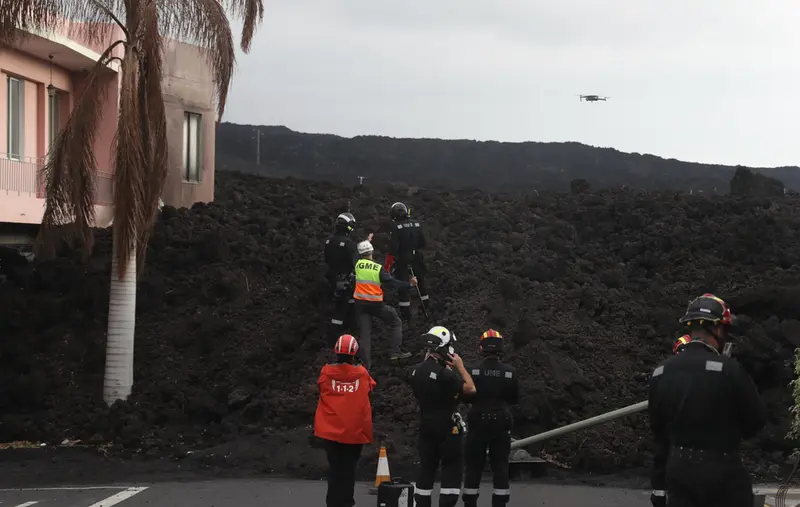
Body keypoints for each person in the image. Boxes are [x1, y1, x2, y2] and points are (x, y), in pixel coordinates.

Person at [648, 293, 767, 507]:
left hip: (678, 470)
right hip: (722, 471)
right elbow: (756, 421)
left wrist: (658, 487)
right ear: (717, 329)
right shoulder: (730, 370)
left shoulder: (660, 372)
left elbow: (659, 433)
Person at [407, 325, 476, 507]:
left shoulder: (414, 371)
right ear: (445, 348)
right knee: (451, 469)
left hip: (426, 426)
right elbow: (470, 389)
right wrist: (460, 367)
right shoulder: (445, 375)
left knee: (426, 468)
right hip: (447, 428)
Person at [314, 334, 377, 507]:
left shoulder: (326, 372)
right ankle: (346, 503)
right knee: (349, 470)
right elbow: (371, 387)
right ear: (355, 352)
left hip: (331, 431)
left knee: (335, 469)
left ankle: (332, 503)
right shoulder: (362, 373)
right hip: (354, 432)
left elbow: (320, 386)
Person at [462, 329, 519, 507]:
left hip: (477, 420)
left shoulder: (472, 371)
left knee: (473, 465)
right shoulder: (510, 372)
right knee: (500, 465)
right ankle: (500, 503)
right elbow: (514, 398)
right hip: (501, 421)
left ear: (481, 348)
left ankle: (470, 502)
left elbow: (466, 397)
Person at [353, 240, 414, 368]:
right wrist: (409, 284)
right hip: (376, 305)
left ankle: (365, 365)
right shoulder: (378, 268)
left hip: (360, 305)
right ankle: (395, 352)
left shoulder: (357, 264)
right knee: (396, 322)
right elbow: (394, 283)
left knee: (365, 334)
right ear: (372, 251)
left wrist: (367, 240)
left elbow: (355, 255)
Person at [324, 212, 369, 345]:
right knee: (342, 309)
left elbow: (327, 260)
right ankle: (336, 339)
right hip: (346, 282)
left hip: (333, 280)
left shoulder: (329, 242)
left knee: (343, 307)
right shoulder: (349, 244)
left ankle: (344, 334)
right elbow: (356, 264)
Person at [384, 202, 429, 321]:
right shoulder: (417, 224)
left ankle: (406, 315)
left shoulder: (395, 227)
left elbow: (393, 248)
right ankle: (426, 306)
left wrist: (387, 266)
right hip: (416, 257)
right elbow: (423, 243)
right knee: (420, 282)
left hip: (402, 259)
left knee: (403, 287)